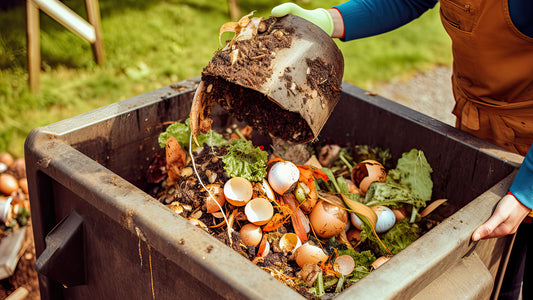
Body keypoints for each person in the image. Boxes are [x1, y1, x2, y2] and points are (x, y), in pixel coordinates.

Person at [271, 1, 533, 299]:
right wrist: (327, 20)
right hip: (484, 124)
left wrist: (527, 190)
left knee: (509, 267)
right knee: (499, 267)